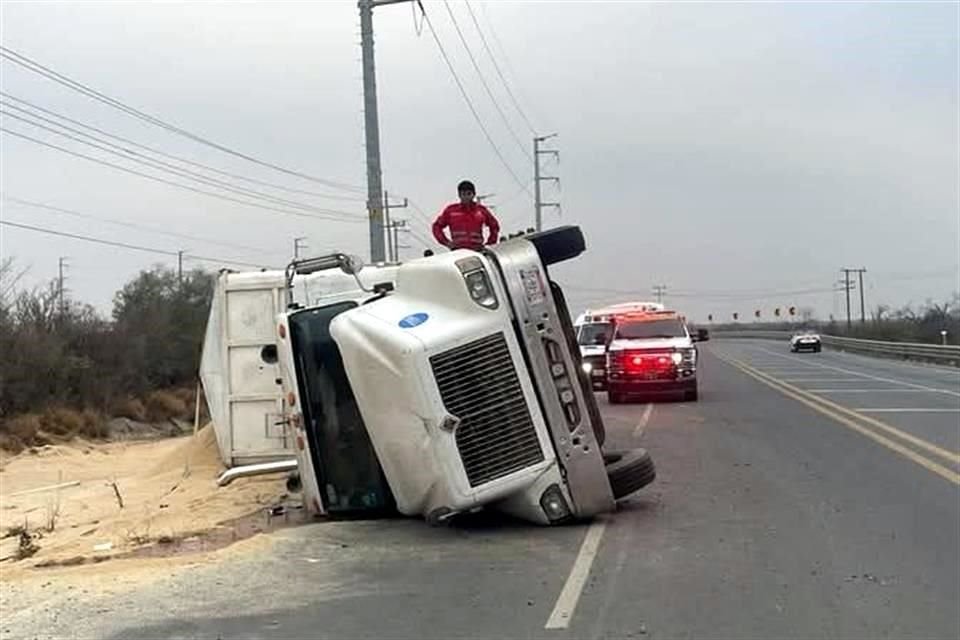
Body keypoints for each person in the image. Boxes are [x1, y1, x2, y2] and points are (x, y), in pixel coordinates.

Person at [431, 180, 500, 251]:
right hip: (458, 251)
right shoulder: (451, 211)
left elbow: (494, 226)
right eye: (463, 194)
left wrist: (490, 244)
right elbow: (436, 226)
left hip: (477, 250)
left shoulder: (481, 211)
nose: (466, 197)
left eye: (469, 194)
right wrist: (446, 242)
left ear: (473, 194)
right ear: (459, 195)